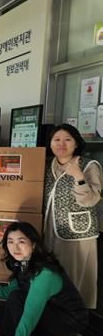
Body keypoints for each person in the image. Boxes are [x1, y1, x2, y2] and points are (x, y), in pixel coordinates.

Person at [43, 123, 102, 308]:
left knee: (74, 279)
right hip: (49, 230)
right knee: (52, 276)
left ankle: (73, 320)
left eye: (67, 139)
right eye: (57, 139)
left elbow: (91, 200)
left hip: (77, 233)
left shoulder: (89, 166)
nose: (61, 144)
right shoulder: (47, 164)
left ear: (76, 143)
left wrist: (78, 176)